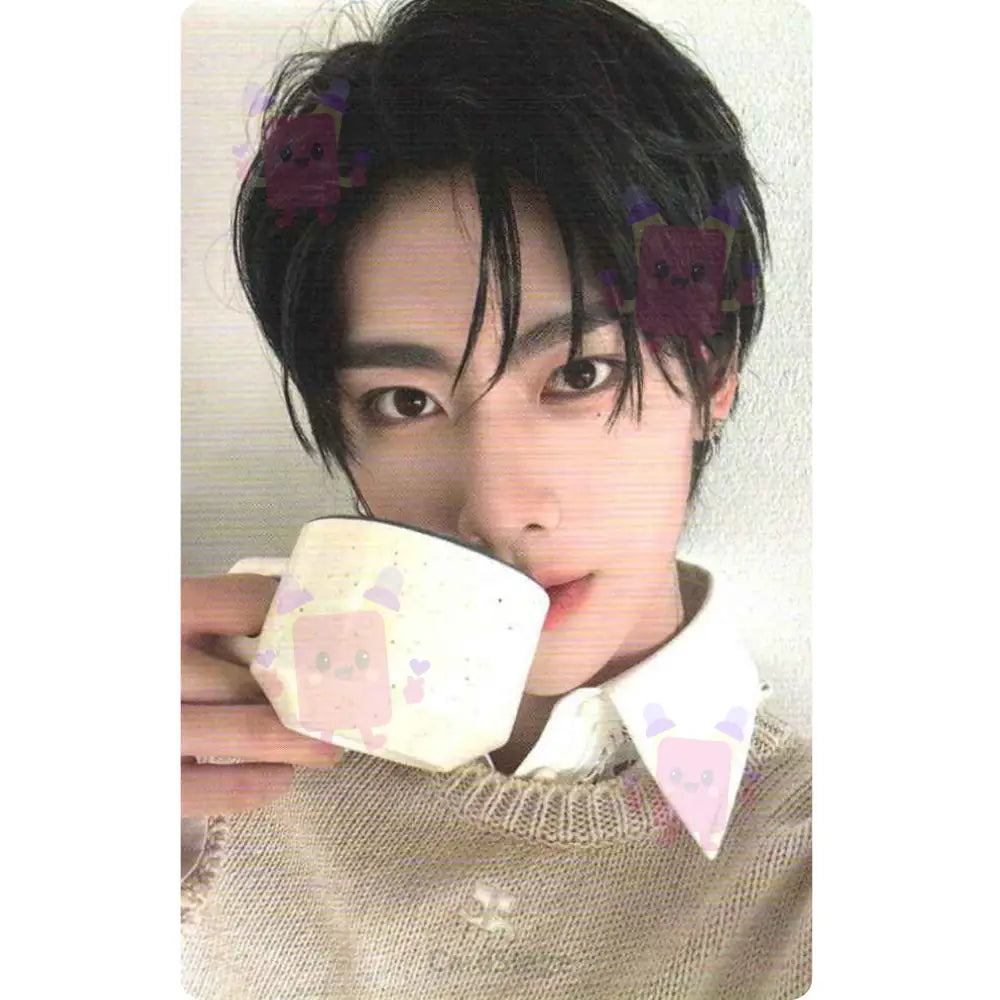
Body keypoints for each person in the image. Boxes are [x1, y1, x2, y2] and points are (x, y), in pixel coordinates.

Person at [180, 1, 811, 997]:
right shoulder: (197, 767)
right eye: (405, 401)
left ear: (713, 371)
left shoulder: (817, 875)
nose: (497, 508)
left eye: (580, 375)